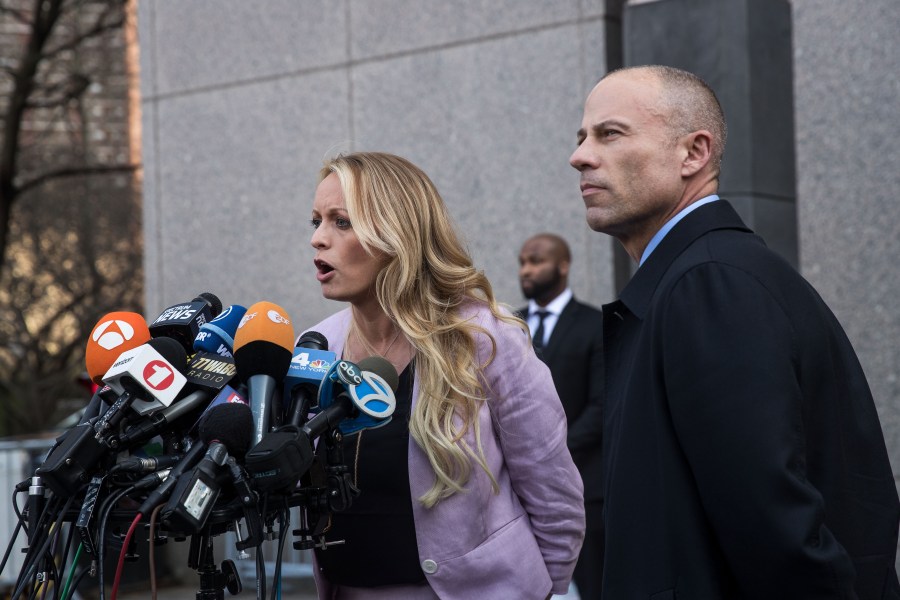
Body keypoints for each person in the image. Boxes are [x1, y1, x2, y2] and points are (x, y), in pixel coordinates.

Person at [569, 64, 900, 599]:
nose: (580, 155)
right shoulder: (707, 277)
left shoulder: (710, 286)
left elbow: (774, 528)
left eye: (610, 133)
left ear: (694, 154)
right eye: (582, 137)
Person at [304, 151, 585, 599]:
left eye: (341, 222)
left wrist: (533, 591)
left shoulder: (485, 338)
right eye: (315, 221)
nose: (318, 239)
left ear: (397, 232)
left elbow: (555, 496)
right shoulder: (315, 347)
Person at [517, 233, 604, 600]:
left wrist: (550, 454)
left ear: (563, 265)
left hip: (586, 486)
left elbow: (603, 405)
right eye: (522, 262)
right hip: (518, 492)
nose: (526, 270)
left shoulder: (595, 324)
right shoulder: (508, 326)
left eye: (536, 261)